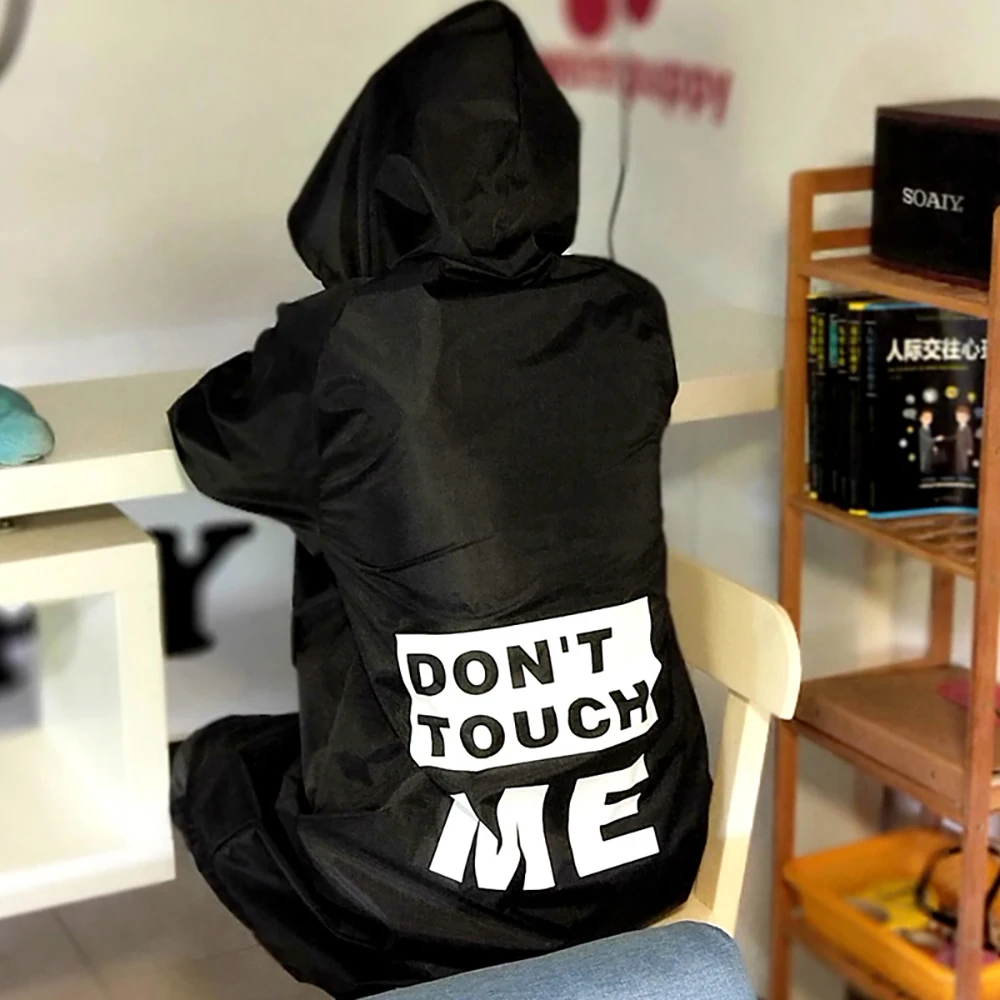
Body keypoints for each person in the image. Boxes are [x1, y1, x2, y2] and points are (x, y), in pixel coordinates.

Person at [167, 2, 713, 997]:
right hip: (646, 845)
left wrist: (328, 322)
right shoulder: (629, 315)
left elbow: (212, 439)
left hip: (415, 890)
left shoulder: (353, 342)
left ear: (373, 174)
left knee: (213, 766)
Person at [953, 403, 974, 476]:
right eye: (958, 416)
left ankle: (964, 473)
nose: (960, 418)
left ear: (968, 417)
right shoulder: (958, 427)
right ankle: (958, 472)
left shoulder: (967, 429)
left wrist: (970, 448)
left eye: (963, 416)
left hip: (964, 449)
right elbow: (956, 436)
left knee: (964, 462)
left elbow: (970, 439)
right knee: (958, 461)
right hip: (958, 448)